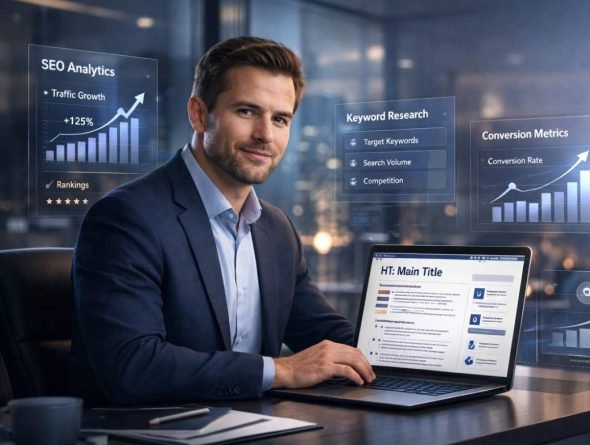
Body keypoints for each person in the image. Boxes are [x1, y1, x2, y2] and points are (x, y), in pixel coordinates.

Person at [69, 36, 374, 405]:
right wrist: (281, 371)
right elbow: (133, 366)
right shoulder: (127, 218)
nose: (265, 135)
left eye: (280, 119)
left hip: (255, 424)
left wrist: (421, 349)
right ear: (199, 114)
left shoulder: (276, 228)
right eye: (246, 111)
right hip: (151, 427)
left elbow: (324, 334)